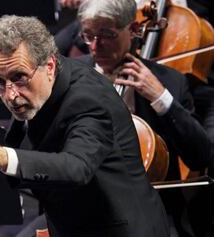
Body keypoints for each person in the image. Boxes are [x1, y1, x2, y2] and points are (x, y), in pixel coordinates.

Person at [0, 15, 170, 237]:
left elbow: (76, 167)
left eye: (19, 78)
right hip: (71, 218)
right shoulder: (27, 76)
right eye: (1, 81)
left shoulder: (88, 100)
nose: (10, 94)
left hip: (117, 227)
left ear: (49, 66)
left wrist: (3, 156)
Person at [75, 0, 212, 236]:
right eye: (89, 36)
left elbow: (200, 156)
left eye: (107, 35)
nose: (96, 46)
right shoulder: (69, 75)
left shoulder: (170, 82)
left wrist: (161, 99)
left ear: (135, 29)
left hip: (154, 212)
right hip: (81, 211)